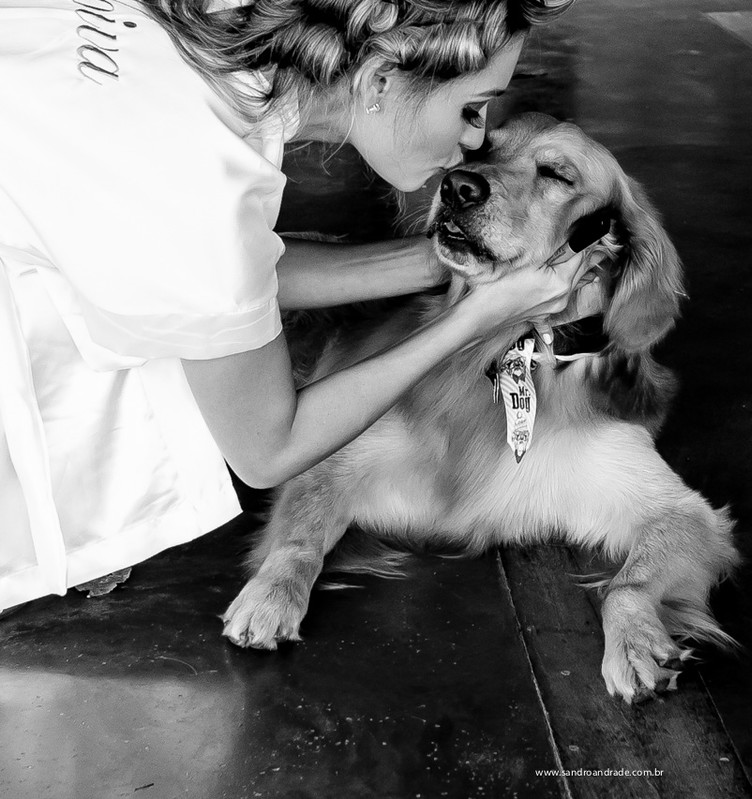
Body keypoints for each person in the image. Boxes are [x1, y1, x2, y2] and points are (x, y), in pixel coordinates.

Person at [0, 0, 583, 612]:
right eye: (472, 108)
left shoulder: (217, 46)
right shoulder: (199, 187)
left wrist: (437, 259)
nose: (472, 140)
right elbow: (269, 449)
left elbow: (220, 275)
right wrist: (476, 318)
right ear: (380, 78)